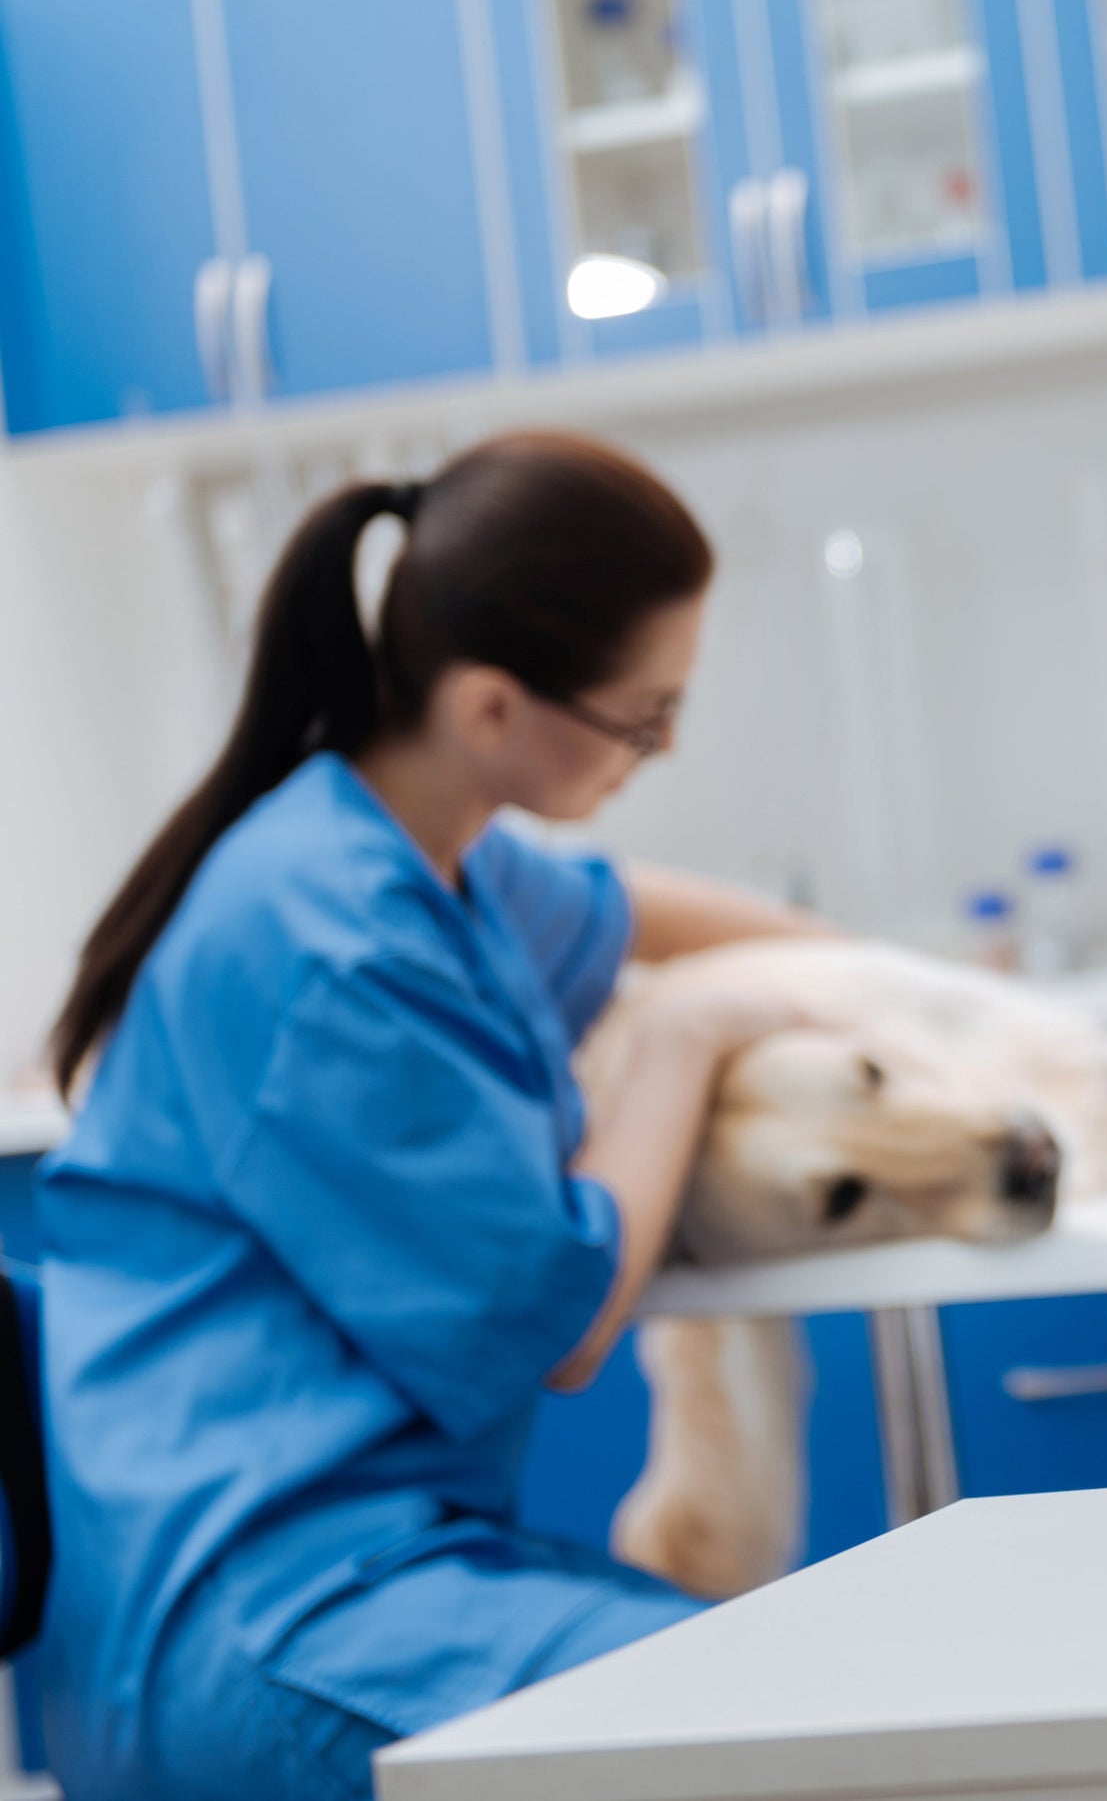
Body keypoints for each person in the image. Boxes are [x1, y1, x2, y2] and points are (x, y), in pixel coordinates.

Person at [36, 433, 823, 1799]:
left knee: (800, 1688)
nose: (661, 747)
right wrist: (683, 1040)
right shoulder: (324, 936)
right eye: (641, 718)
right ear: (491, 709)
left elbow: (641, 909)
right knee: (795, 1734)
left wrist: (881, 988)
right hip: (260, 1620)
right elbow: (566, 1319)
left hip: (383, 1567)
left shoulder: (424, 856)